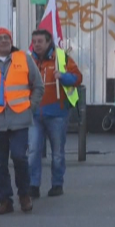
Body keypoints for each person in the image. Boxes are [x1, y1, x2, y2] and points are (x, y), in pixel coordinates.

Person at [28, 29, 82, 199]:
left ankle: (57, 184)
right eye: (34, 41)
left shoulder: (61, 57)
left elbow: (78, 78)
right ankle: (33, 185)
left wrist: (63, 76)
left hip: (57, 113)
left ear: (48, 41)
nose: (36, 45)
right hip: (34, 114)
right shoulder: (28, 59)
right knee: (33, 151)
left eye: (40, 41)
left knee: (57, 152)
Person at [0, 28, 43, 214]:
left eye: (6, 37)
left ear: (11, 40)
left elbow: (38, 86)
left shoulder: (24, 58)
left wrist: (29, 108)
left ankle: (24, 194)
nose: (3, 41)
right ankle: (5, 200)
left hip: (19, 118)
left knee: (19, 156)